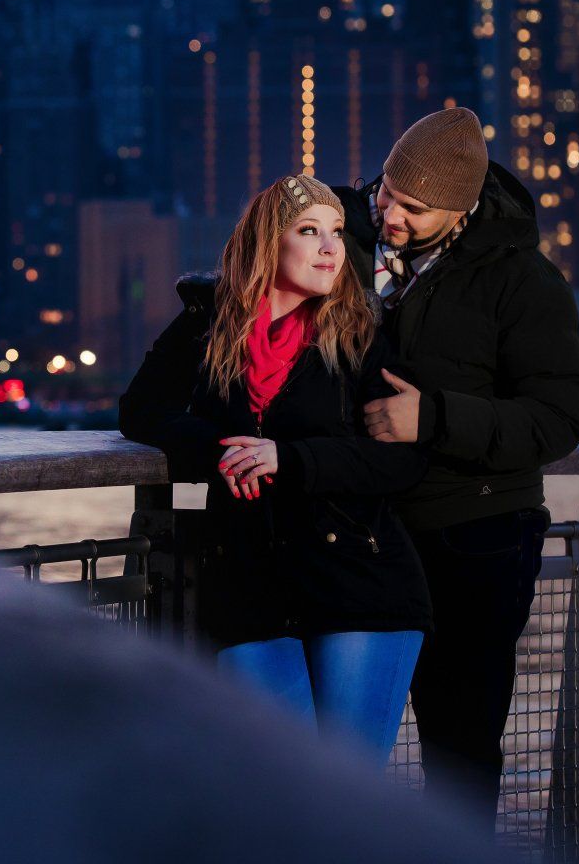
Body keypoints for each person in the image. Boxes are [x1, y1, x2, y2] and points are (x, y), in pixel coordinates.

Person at [119, 174, 431, 765]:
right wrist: (218, 451)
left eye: (337, 231)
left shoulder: (359, 337)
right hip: (251, 588)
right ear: (268, 242)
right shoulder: (208, 326)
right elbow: (140, 411)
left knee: (345, 795)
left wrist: (288, 459)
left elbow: (402, 458)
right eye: (309, 230)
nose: (331, 248)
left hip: (356, 584)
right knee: (280, 788)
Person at [334, 108, 579, 830]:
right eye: (386, 194)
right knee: (338, 747)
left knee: (459, 750)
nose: (392, 216)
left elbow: (557, 420)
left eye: (415, 209)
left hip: (473, 539)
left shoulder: (526, 284)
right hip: (360, 534)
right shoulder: (343, 242)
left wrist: (434, 418)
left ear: (464, 209)